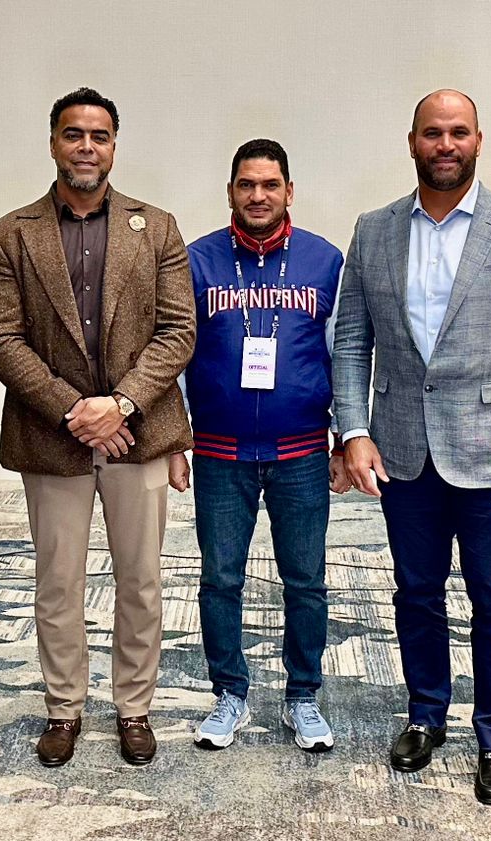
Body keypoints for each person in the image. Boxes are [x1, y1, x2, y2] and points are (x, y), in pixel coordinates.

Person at [331, 89, 491, 804]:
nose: (445, 144)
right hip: (404, 452)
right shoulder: (374, 230)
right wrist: (354, 431)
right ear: (412, 142)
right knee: (416, 592)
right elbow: (352, 341)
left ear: (478, 141)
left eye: (458, 132)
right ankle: (426, 715)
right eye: (432, 133)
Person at [0, 87, 195, 767]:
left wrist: (120, 405)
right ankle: (64, 708)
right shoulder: (11, 233)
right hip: (52, 437)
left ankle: (134, 707)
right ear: (53, 143)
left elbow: (178, 331)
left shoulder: (156, 227)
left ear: (114, 147)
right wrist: (77, 410)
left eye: (99, 136)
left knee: (141, 581)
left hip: (140, 434)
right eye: (73, 134)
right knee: (58, 583)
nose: (86, 147)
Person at [179, 138, 346, 752]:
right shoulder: (196, 261)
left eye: (270, 184)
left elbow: (346, 355)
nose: (257, 196)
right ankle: (230, 693)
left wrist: (346, 437)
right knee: (220, 579)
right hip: (219, 452)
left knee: (306, 581)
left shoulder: (324, 260)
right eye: (246, 185)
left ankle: (303, 696)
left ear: (289, 191)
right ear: (230, 191)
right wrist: (173, 440)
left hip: (301, 452)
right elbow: (174, 355)